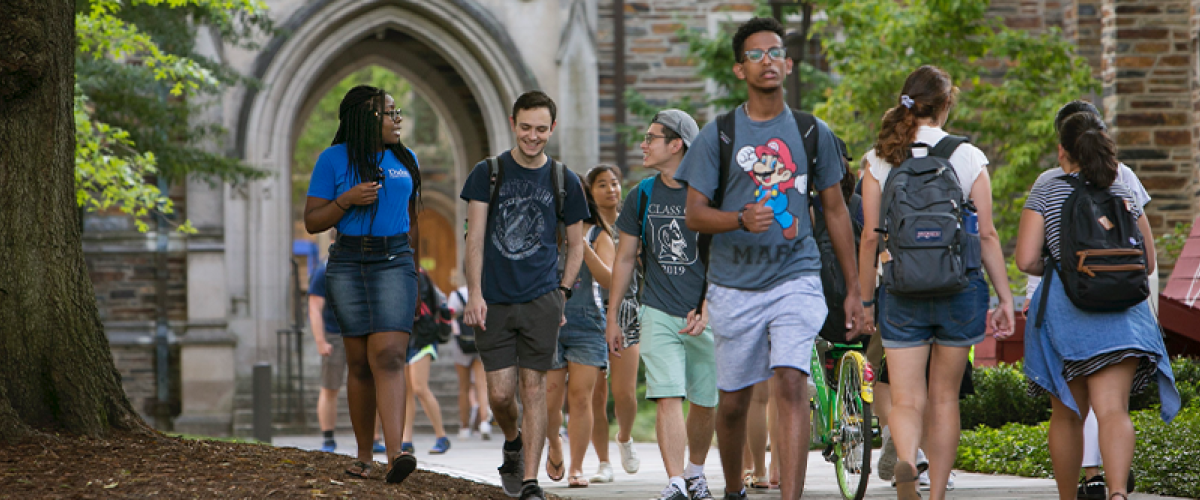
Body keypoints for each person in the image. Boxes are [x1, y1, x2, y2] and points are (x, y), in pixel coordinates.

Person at [676, 17, 863, 500]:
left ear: (788, 61)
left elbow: (836, 210)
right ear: (740, 69)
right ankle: (735, 489)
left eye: (775, 52)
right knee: (735, 403)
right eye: (756, 55)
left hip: (795, 274)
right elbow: (694, 214)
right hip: (733, 283)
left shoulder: (810, 131)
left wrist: (855, 289)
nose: (767, 61)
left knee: (790, 379)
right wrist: (739, 219)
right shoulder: (718, 135)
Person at [857, 65, 1014, 500]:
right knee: (945, 398)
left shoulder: (879, 159)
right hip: (959, 289)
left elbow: (871, 236)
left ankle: (907, 456)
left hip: (901, 290)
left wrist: (865, 301)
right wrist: (1003, 297)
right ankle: (938, 492)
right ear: (947, 105)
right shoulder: (967, 157)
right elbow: (987, 234)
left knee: (906, 399)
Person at [1016, 110, 1179, 500]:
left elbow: (1025, 259)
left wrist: (1062, 265)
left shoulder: (1047, 186)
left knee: (1068, 414)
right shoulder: (1122, 186)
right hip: (1124, 316)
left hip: (1066, 314)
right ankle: (1118, 493)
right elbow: (1149, 262)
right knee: (1113, 411)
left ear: (1062, 151)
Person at [459, 90, 590, 500]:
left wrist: (562, 294)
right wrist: (474, 293)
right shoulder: (488, 172)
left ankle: (529, 482)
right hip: (494, 300)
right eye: (525, 128)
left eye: (541, 129)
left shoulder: (563, 179)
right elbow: (475, 237)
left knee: (534, 389)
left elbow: (576, 243)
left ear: (552, 128)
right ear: (514, 123)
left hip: (541, 299)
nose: (533, 137)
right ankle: (512, 442)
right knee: (500, 394)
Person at [303, 84, 421, 484]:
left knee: (388, 354)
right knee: (358, 362)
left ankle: (396, 455)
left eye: (396, 111)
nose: (397, 118)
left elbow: (412, 219)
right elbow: (313, 221)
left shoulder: (406, 159)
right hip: (349, 261)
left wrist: (414, 268)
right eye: (390, 112)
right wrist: (347, 200)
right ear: (366, 118)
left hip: (394, 261)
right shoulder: (332, 160)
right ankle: (364, 456)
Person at [608, 109, 717, 500]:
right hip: (657, 309)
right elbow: (624, 259)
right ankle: (674, 482)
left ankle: (695, 472)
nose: (643, 143)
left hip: (706, 316)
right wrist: (613, 317)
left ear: (676, 145)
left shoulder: (708, 193)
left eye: (651, 137)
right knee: (668, 395)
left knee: (705, 400)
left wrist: (707, 307)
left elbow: (723, 257)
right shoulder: (642, 195)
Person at [545, 165, 617, 488]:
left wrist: (581, 244)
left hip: (587, 323)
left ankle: (576, 467)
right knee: (549, 396)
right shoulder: (545, 229)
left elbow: (610, 280)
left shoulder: (600, 235)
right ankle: (555, 444)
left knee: (581, 398)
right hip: (548, 320)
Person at [585, 164, 641, 485]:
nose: (611, 189)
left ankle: (625, 437)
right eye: (602, 184)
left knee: (624, 394)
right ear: (591, 192)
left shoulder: (632, 223)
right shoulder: (588, 230)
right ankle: (603, 462)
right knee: (596, 393)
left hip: (628, 312)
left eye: (615, 183)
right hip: (593, 312)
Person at [308, 259, 388, 455]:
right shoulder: (324, 270)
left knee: (372, 384)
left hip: (363, 333)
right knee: (330, 387)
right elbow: (315, 307)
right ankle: (328, 438)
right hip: (335, 336)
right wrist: (320, 340)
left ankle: (374, 437)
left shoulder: (364, 263)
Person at [400, 267, 451, 454]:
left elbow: (415, 308)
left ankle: (442, 437)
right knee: (406, 392)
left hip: (423, 338)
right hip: (406, 338)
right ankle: (406, 440)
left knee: (420, 387)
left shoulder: (416, 273)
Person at [446, 271, 491, 441]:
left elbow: (450, 317)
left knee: (464, 387)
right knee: (482, 385)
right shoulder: (486, 294)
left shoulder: (457, 295)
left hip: (462, 344)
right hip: (480, 341)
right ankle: (484, 422)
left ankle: (464, 427)